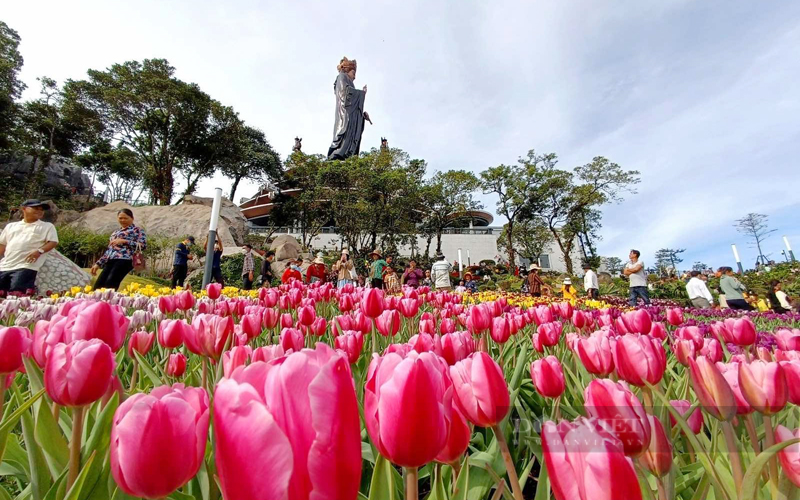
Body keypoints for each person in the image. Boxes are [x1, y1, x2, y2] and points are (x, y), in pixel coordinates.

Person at [0, 200, 59, 296]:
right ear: (24, 209)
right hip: (5, 266)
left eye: (41, 210)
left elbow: (53, 242)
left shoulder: (47, 226)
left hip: (26, 266)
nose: (39, 211)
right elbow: (2, 245)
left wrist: (39, 251)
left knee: (17, 295)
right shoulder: (11, 226)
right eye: (36, 208)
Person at [91, 208, 148, 291]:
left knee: (110, 284)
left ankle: (109, 302)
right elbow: (109, 250)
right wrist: (98, 264)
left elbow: (143, 245)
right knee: (98, 285)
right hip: (111, 259)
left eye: (125, 218)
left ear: (132, 218)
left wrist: (124, 241)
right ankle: (97, 303)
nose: (123, 220)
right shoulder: (115, 233)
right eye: (120, 218)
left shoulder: (137, 230)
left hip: (125, 259)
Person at [327, 57, 371, 160]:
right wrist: (361, 94)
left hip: (352, 114)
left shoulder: (350, 82)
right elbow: (344, 93)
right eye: (353, 73)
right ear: (347, 70)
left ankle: (349, 155)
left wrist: (361, 115)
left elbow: (352, 98)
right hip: (345, 113)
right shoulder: (342, 77)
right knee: (344, 132)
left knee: (352, 135)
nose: (354, 77)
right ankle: (337, 154)